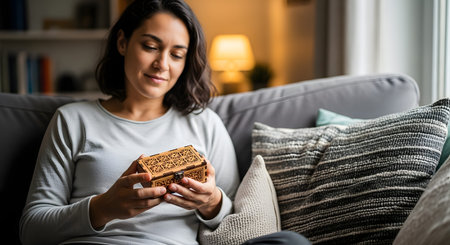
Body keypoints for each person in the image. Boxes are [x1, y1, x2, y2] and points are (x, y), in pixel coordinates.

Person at [19, 0, 310, 244]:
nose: (163, 64)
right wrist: (103, 207)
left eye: (177, 54)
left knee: (290, 242)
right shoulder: (73, 121)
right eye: (150, 46)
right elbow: (31, 229)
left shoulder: (204, 123)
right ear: (122, 42)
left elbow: (235, 218)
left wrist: (210, 203)